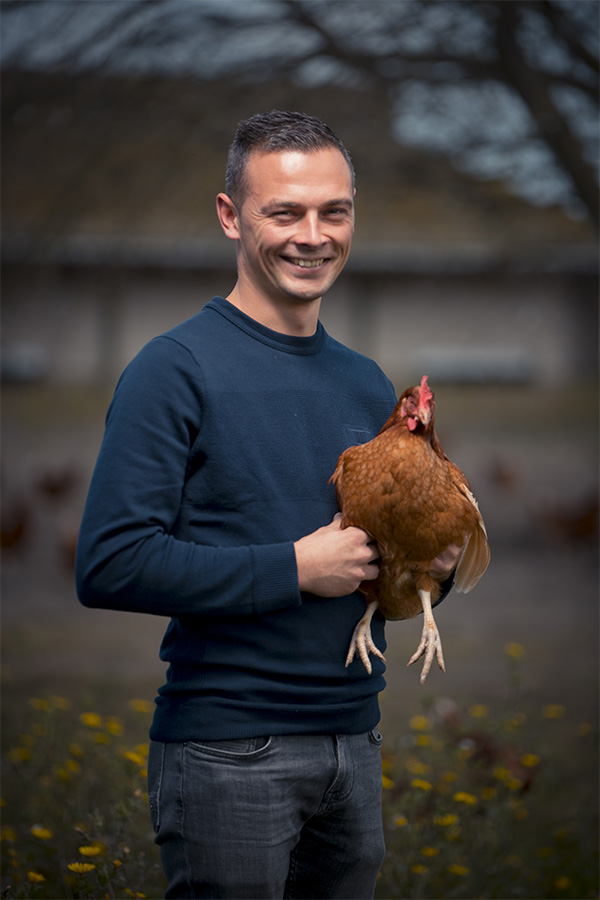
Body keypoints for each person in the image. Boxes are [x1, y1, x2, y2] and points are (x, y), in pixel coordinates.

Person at [76, 109, 459, 900]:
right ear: (230, 216)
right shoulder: (174, 369)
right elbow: (110, 563)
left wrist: (429, 571)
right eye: (284, 211)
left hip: (354, 743)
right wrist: (292, 567)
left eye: (334, 211)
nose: (311, 234)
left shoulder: (363, 382)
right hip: (227, 751)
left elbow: (363, 581)